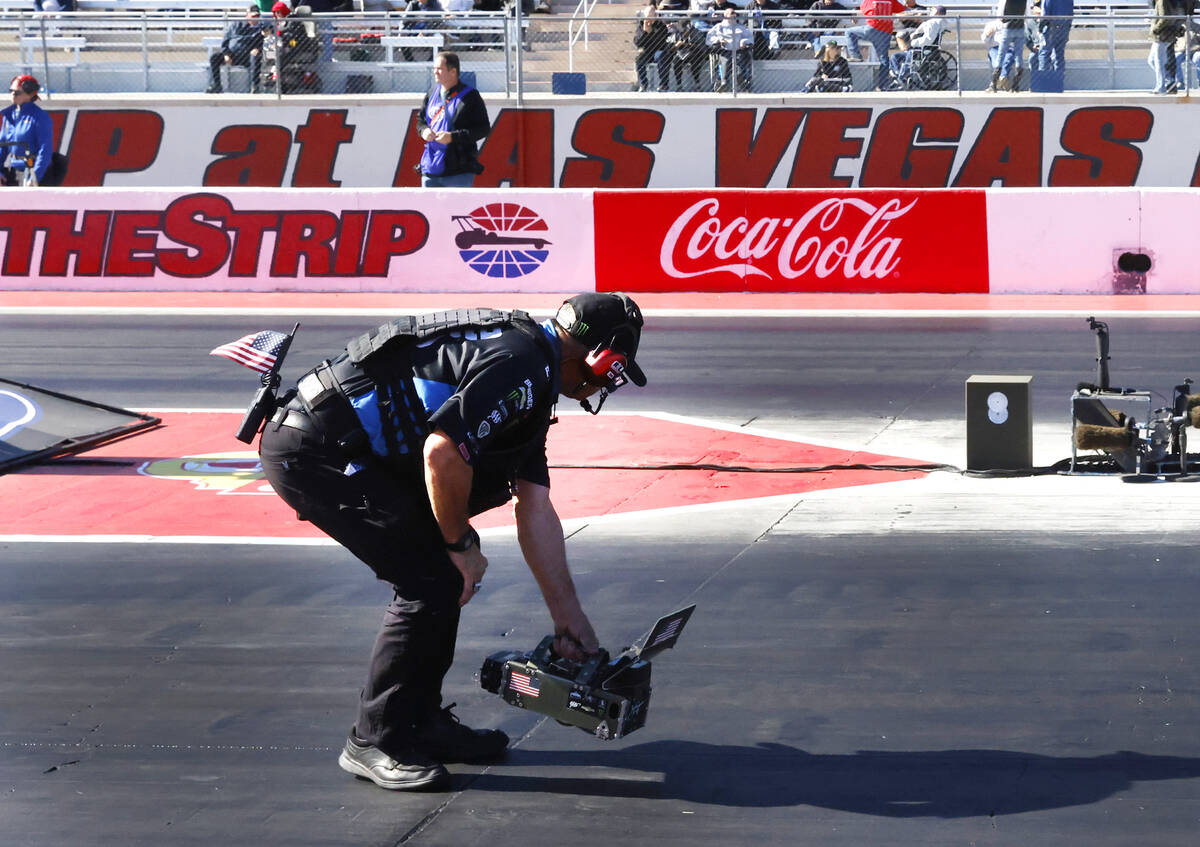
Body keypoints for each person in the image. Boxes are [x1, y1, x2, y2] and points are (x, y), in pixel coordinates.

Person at [257, 294, 648, 791]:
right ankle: (376, 740)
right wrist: (461, 544)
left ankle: (418, 723)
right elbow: (442, 453)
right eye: (615, 369)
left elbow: (536, 508)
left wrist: (569, 619)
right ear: (603, 356)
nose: (606, 384)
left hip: (340, 444)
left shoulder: (535, 369)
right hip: (316, 451)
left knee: (441, 575)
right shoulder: (522, 366)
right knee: (429, 580)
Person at [416, 51, 489, 186]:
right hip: (430, 168)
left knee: (459, 208)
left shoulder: (470, 96)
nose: (435, 72)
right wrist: (424, 131)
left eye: (439, 69)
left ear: (453, 71)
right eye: (434, 69)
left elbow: (483, 129)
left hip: (459, 170)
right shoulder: (431, 93)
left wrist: (452, 137)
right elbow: (420, 121)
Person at [0, 75, 53, 186]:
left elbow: (45, 150)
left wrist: (35, 178)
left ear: (31, 94)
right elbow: (2, 146)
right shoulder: (8, 115)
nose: (13, 94)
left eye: (18, 92)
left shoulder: (39, 117)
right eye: (11, 91)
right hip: (14, 171)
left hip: (32, 171)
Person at [845, 0, 907, 90]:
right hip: (886, 31)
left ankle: (857, 56)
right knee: (884, 59)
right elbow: (902, 9)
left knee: (849, 32)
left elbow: (863, 10)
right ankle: (883, 85)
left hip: (872, 28)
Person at [207, 5, 266, 94]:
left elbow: (264, 41)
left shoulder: (261, 28)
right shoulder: (236, 25)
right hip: (232, 56)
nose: (255, 19)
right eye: (253, 16)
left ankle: (255, 87)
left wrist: (258, 48)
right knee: (214, 57)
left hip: (248, 57)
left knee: (255, 56)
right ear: (247, 15)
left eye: (257, 16)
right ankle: (217, 86)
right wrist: (226, 54)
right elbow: (225, 40)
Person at [887, 4, 946, 82]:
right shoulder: (930, 22)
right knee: (894, 56)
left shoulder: (934, 23)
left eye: (933, 10)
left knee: (910, 55)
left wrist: (914, 43)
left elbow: (928, 40)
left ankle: (901, 77)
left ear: (937, 12)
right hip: (917, 49)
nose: (931, 11)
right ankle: (898, 75)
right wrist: (914, 34)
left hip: (922, 49)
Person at [706, 7, 754, 91]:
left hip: (739, 51)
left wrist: (744, 41)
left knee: (739, 64)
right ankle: (723, 83)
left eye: (734, 13)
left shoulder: (741, 28)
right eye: (731, 13)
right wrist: (718, 40)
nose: (734, 15)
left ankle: (741, 80)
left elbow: (750, 38)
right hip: (725, 51)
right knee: (726, 62)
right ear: (725, 15)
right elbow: (708, 39)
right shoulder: (718, 27)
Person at [1149, 0, 1186, 94]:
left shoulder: (1162, 1)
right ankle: (1170, 82)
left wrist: (1155, 29)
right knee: (1151, 60)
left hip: (1162, 36)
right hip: (1163, 36)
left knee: (1159, 62)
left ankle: (1161, 88)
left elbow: (1164, 18)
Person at [634, 3, 670, 92]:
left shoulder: (661, 25)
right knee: (639, 58)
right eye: (647, 16)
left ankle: (663, 85)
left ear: (655, 15)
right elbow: (637, 42)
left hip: (658, 50)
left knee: (662, 56)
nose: (648, 18)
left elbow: (661, 41)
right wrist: (645, 33)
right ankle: (643, 84)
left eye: (651, 16)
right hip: (647, 52)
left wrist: (652, 33)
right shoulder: (641, 25)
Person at [992, 0, 1027, 92]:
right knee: (1018, 56)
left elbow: (999, 15)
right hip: (1020, 27)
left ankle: (993, 85)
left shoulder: (1004, 1)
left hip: (1008, 27)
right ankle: (1015, 85)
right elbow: (1027, 14)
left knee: (1001, 55)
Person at [667, 14, 710, 90]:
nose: (685, 28)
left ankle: (697, 83)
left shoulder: (695, 32)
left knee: (695, 60)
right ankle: (679, 84)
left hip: (695, 53)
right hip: (681, 53)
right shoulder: (677, 33)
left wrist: (687, 44)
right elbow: (670, 49)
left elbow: (701, 47)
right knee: (676, 62)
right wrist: (677, 45)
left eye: (686, 25)